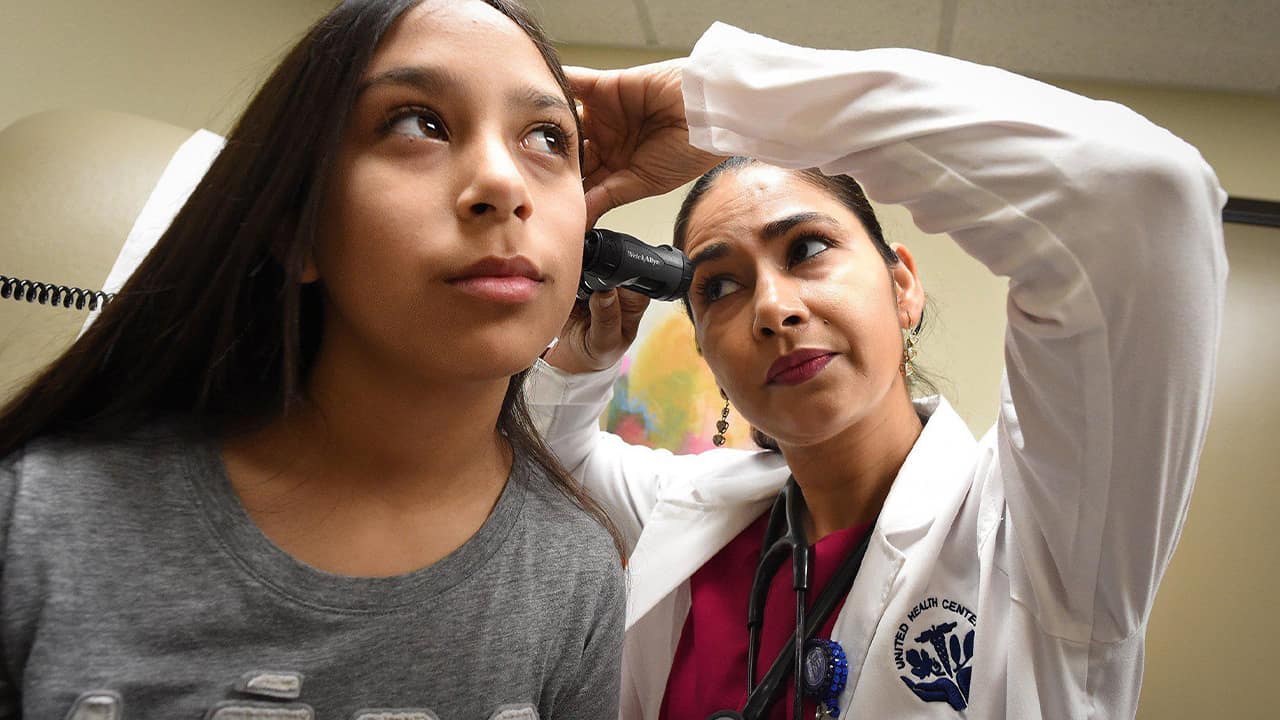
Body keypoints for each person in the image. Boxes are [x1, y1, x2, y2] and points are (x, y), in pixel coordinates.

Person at [531, 21, 1227, 720]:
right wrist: (582, 363)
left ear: (902, 286)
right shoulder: (691, 511)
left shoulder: (1039, 538)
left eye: (805, 248)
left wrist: (716, 102)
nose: (772, 309)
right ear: (706, 351)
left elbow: (1142, 195)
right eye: (718, 287)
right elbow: (549, 464)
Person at [0, 1, 625, 717]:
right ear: (294, 226)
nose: (504, 184)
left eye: (547, 137)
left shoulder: (574, 573)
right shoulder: (38, 519)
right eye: (417, 122)